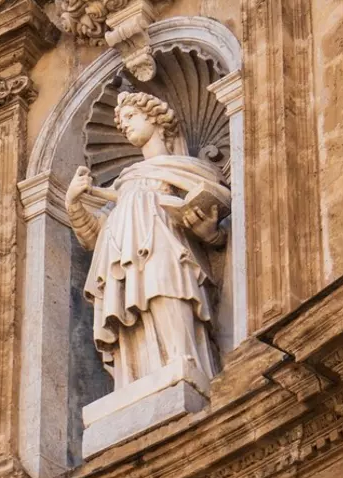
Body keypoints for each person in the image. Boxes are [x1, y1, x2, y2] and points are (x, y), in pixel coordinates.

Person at [66, 91, 232, 389]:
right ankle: (135, 379)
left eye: (131, 117)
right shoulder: (125, 182)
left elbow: (216, 228)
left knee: (166, 290)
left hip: (166, 249)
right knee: (131, 309)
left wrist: (210, 233)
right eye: (121, 121)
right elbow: (93, 237)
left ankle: (184, 362)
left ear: (154, 118)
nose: (125, 125)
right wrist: (73, 205)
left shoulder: (186, 169)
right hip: (122, 262)